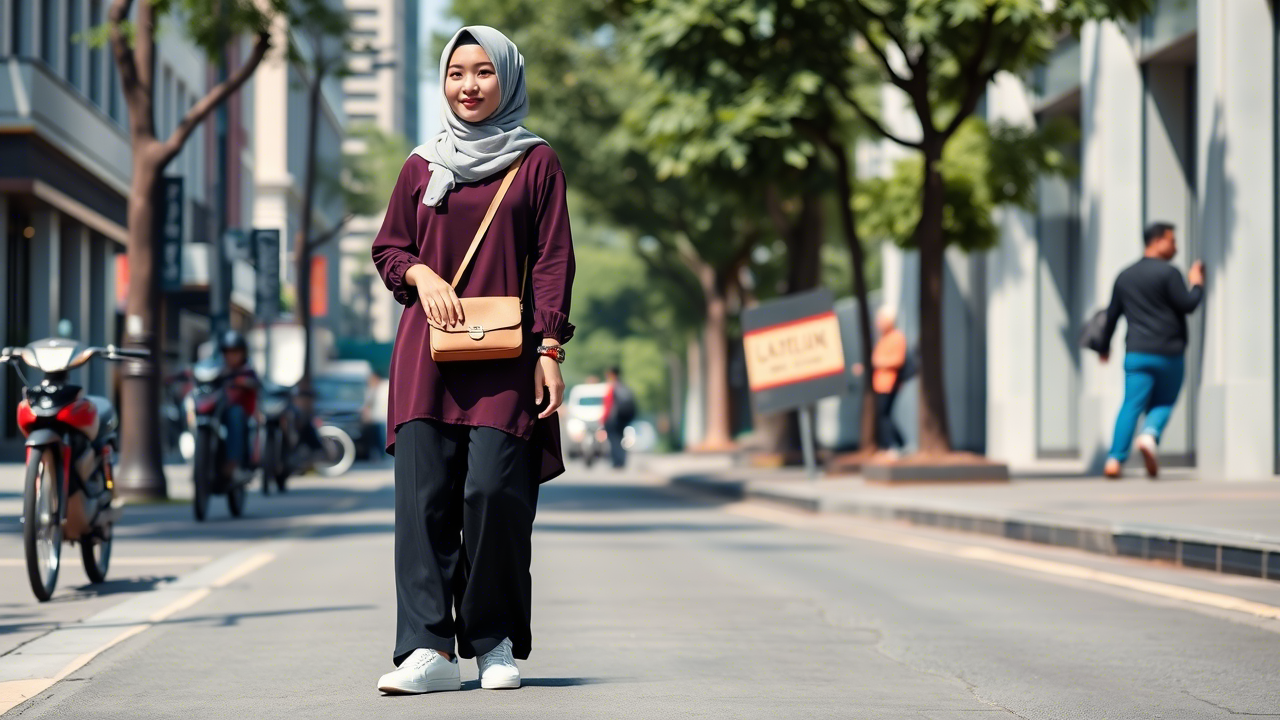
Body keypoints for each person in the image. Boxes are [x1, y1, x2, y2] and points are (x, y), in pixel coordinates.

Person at [371, 26, 575, 696]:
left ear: (508, 79)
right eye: (457, 73)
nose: (469, 85)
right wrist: (421, 276)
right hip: (425, 357)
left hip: (507, 355)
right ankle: (426, 649)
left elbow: (551, 262)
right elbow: (389, 249)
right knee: (424, 503)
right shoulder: (420, 165)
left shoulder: (537, 162)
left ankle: (492, 644)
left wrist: (550, 347)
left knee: (494, 495)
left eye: (484, 72)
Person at [1099, 221, 1204, 479]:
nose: (1175, 246)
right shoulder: (1169, 274)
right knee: (1165, 402)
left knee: (1130, 405)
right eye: (1172, 240)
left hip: (1136, 353)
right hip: (1169, 352)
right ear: (1157, 241)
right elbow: (1188, 304)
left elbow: (1111, 316)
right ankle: (1149, 435)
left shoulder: (1125, 276)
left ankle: (1114, 459)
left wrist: (1104, 347)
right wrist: (1197, 284)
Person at [853, 307, 907, 456]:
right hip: (880, 383)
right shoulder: (884, 337)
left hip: (889, 383)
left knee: (884, 415)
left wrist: (876, 362)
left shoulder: (896, 337)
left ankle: (896, 445)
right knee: (883, 415)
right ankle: (896, 444)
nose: (877, 323)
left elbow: (897, 360)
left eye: (880, 319)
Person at [217, 330, 258, 475]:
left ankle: (233, 462)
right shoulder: (218, 369)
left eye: (235, 352)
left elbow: (254, 383)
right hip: (218, 411)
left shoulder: (247, 371)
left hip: (239, 414)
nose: (231, 355)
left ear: (243, 353)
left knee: (235, 414)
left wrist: (241, 382)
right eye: (228, 352)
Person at [600, 366, 635, 469]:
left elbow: (608, 405)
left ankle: (617, 462)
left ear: (611, 374)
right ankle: (622, 461)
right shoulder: (623, 386)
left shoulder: (611, 387)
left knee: (614, 440)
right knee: (620, 438)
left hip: (612, 419)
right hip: (623, 417)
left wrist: (603, 419)